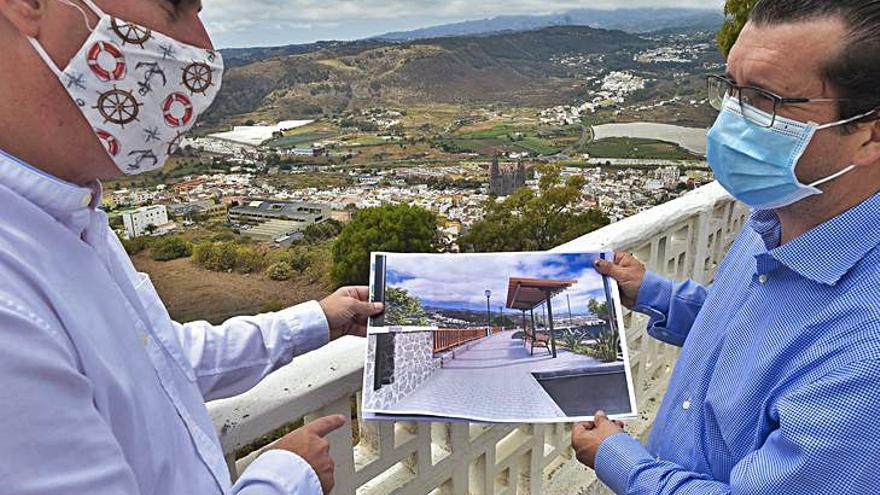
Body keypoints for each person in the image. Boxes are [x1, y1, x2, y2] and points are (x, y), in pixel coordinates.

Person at [0, 1, 383, 494]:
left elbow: (155, 360)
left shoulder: (67, 215)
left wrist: (315, 320)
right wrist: (285, 477)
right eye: (176, 6)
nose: (203, 45)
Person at [570, 1, 880, 493]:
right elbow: (757, 344)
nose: (730, 119)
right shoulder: (779, 217)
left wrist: (617, 457)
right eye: (731, 89)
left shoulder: (866, 353)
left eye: (764, 99)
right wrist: (654, 294)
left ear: (869, 132)